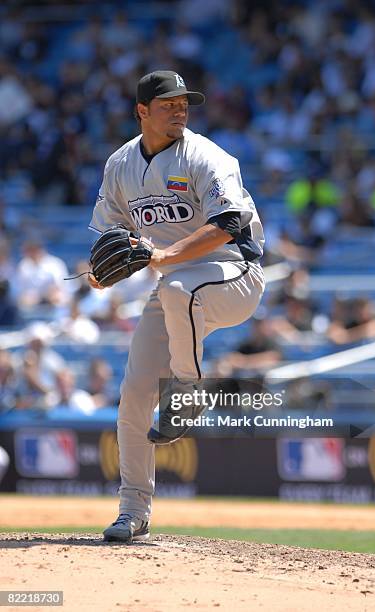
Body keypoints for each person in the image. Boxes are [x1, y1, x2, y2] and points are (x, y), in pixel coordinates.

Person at [88, 70, 265, 542]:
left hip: (234, 275)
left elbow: (229, 223)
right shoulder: (121, 164)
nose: (180, 109)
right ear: (142, 111)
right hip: (176, 290)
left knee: (176, 289)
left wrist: (164, 256)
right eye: (168, 103)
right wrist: (98, 272)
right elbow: (107, 233)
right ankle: (133, 512)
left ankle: (187, 391)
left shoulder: (207, 156)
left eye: (184, 102)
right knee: (134, 395)